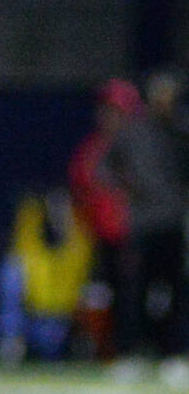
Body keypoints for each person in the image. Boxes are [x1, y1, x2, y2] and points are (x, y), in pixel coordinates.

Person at [100, 67, 189, 385]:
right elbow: (104, 168)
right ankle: (128, 355)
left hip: (173, 223)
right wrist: (127, 187)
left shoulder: (182, 131)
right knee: (134, 291)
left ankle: (174, 356)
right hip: (142, 224)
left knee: (176, 292)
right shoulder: (133, 133)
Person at [67, 77, 140, 360]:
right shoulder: (92, 149)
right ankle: (107, 352)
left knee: (135, 295)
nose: (108, 115)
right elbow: (78, 190)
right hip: (98, 239)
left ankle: (139, 350)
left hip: (136, 236)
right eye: (105, 109)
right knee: (99, 297)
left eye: (115, 110)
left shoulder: (142, 148)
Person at [0, 188, 92, 367]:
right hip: (29, 317)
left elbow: (77, 241)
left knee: (52, 344)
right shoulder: (30, 243)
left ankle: (74, 354)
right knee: (10, 270)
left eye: (62, 209)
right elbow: (28, 218)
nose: (57, 214)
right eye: (53, 208)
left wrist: (65, 216)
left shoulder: (78, 245)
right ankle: (11, 345)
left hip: (58, 319)